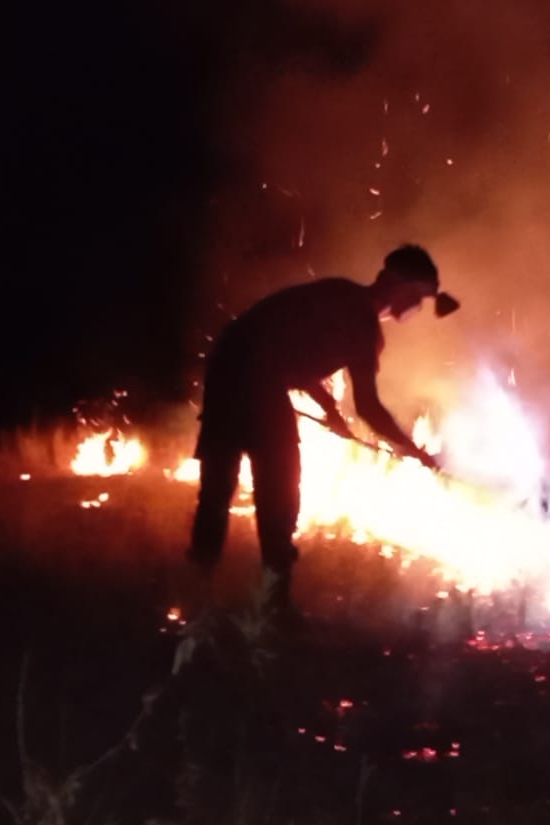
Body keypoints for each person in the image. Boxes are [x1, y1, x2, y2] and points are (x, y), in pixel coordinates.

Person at [187, 244, 450, 613]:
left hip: (226, 365)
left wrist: (329, 408)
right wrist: (414, 451)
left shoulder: (340, 292)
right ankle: (274, 603)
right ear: (398, 285)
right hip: (253, 378)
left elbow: (290, 351)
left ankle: (198, 593)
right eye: (418, 296)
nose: (416, 307)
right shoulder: (362, 324)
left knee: (218, 487)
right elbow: (369, 407)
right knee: (279, 490)